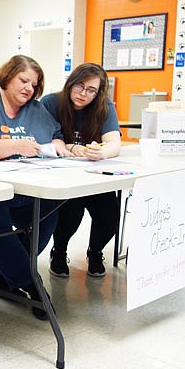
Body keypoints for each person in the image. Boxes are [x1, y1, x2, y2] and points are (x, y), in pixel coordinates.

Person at [0, 55, 69, 320]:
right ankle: (30, 283)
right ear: (8, 77)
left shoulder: (37, 109)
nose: (29, 88)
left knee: (49, 208)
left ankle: (2, 278)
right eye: (24, 80)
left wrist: (60, 144)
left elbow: (55, 137)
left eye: (34, 84)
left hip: (25, 189)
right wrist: (17, 146)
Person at [40, 62, 121, 278]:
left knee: (109, 215)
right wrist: (70, 147)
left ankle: (95, 252)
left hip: (92, 176)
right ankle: (59, 251)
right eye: (80, 86)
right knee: (70, 214)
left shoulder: (104, 107)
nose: (83, 94)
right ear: (71, 83)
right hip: (62, 176)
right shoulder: (51, 102)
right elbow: (44, 139)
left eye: (91, 90)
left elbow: (114, 142)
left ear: (98, 93)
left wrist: (102, 153)